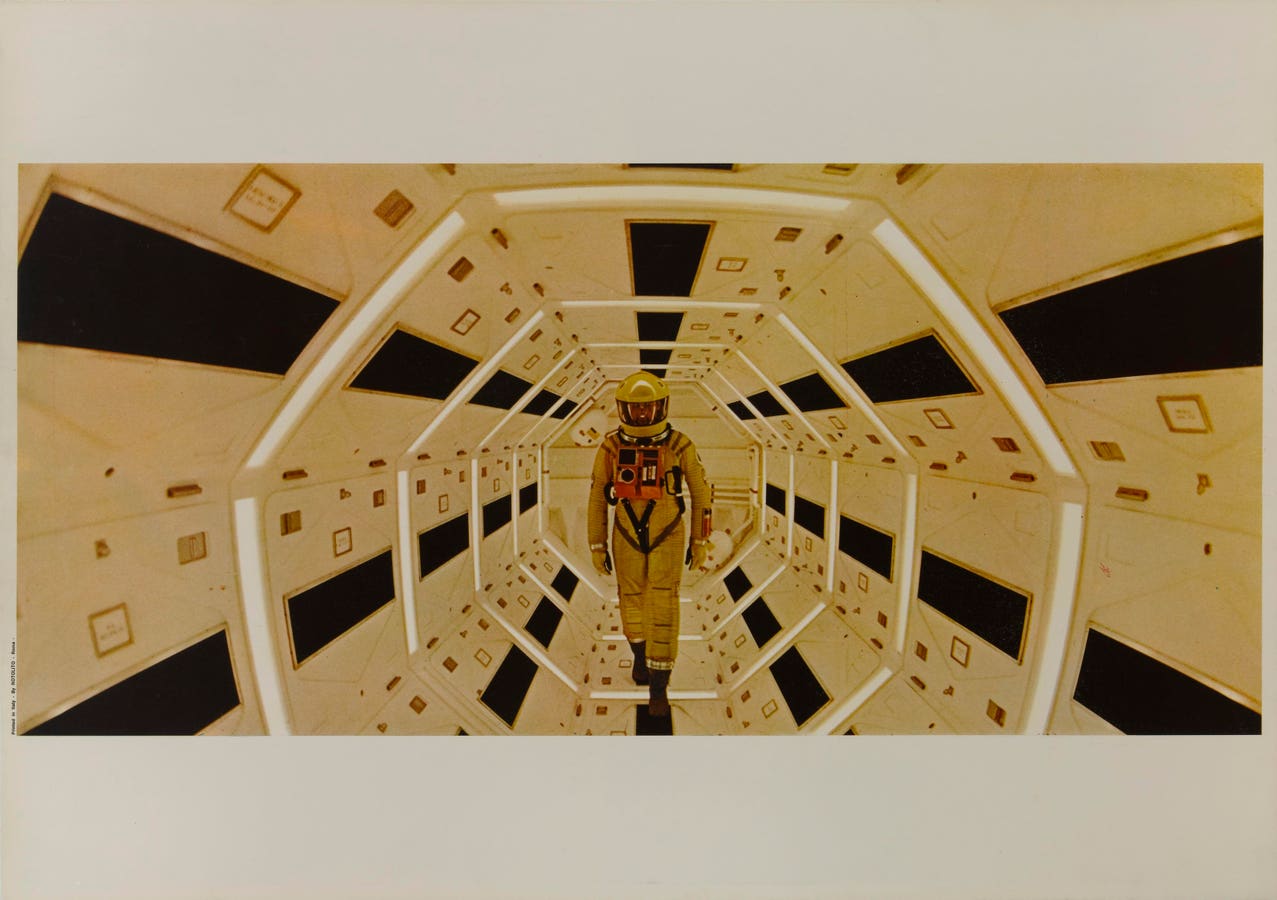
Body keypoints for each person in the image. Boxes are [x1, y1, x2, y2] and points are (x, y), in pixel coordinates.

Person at [587, 371, 712, 717]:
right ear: (623, 410)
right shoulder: (611, 447)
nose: (642, 414)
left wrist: (700, 540)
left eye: (648, 407)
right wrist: (596, 545)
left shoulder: (680, 445)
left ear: (662, 407)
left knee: (663, 602)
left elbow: (702, 492)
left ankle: (659, 687)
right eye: (636, 408)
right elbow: (597, 497)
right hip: (626, 531)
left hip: (667, 532)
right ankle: (640, 659)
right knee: (630, 597)